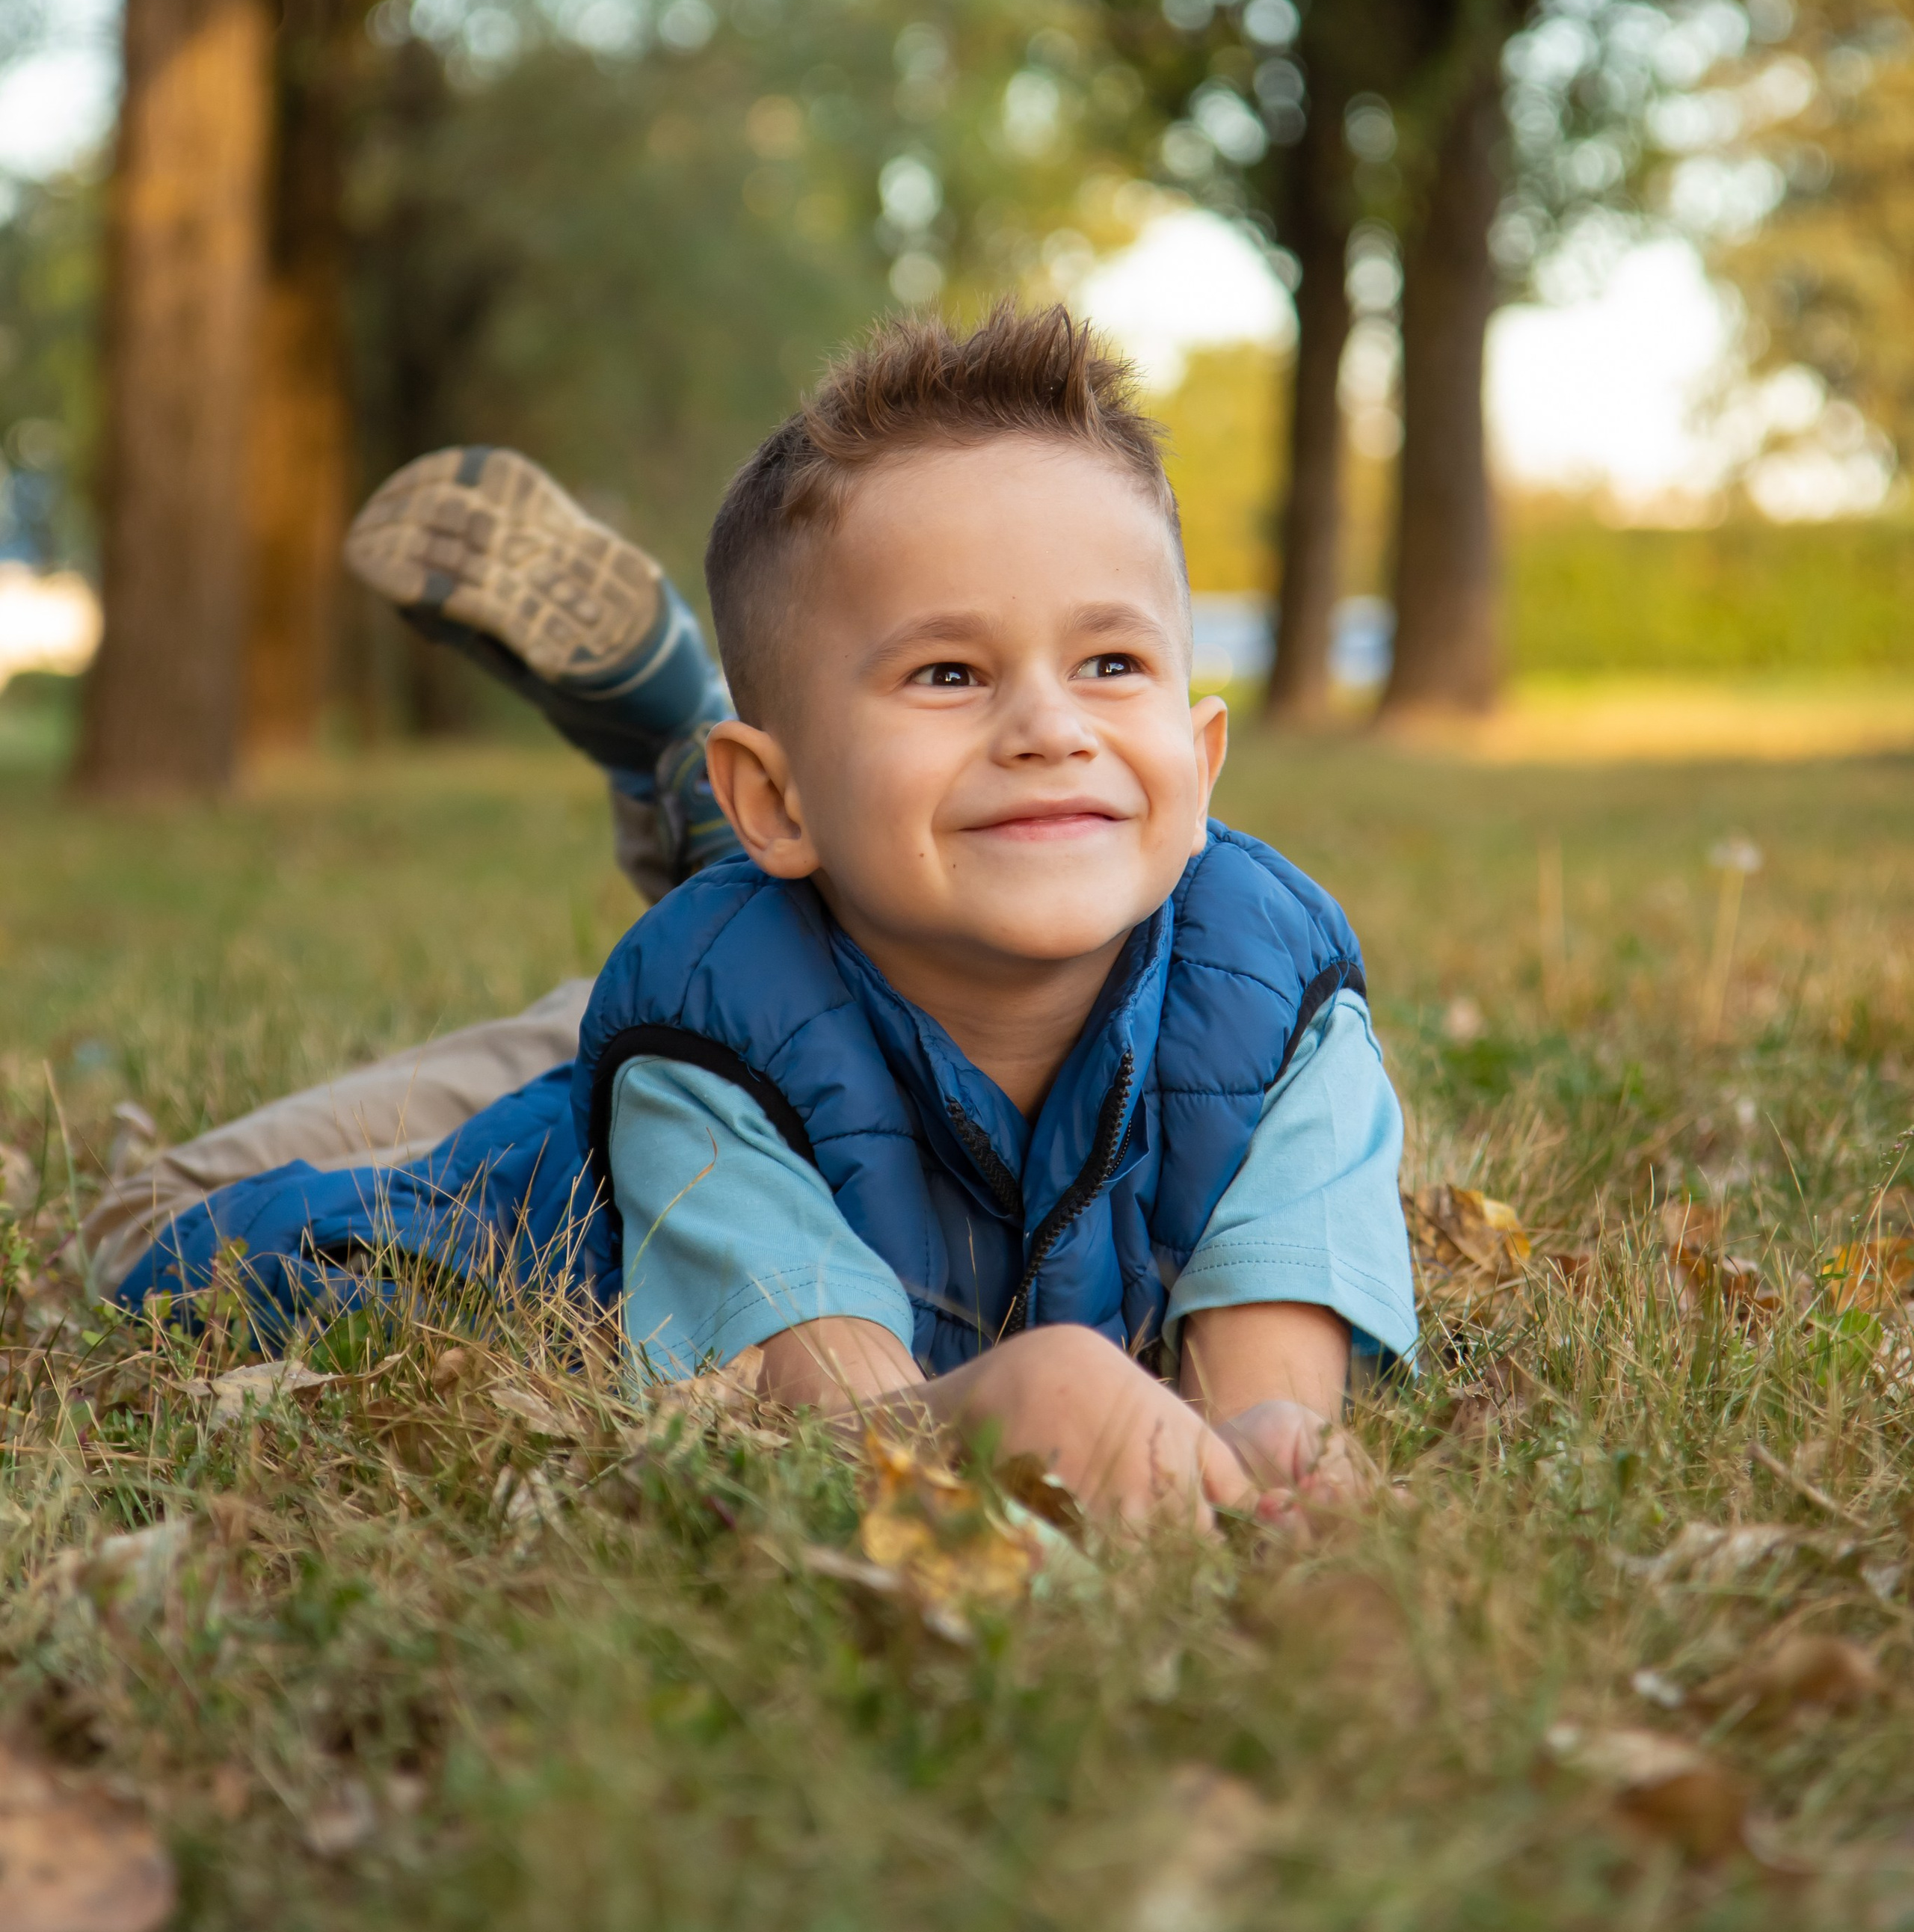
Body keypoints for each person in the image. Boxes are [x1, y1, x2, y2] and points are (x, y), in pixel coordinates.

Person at [96, 307, 1415, 1528]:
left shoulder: (1280, 1006)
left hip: (774, 978)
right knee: (149, 1233)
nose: (1049, 727)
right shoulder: (704, 1065)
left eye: (1111, 662)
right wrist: (1011, 1406)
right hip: (621, 1140)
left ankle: (716, 828)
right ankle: (667, 932)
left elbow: (1265, 1409)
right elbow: (833, 1426)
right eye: (948, 673)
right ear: (778, 795)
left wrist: (1275, 1454)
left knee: (752, 963)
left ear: (1203, 766)